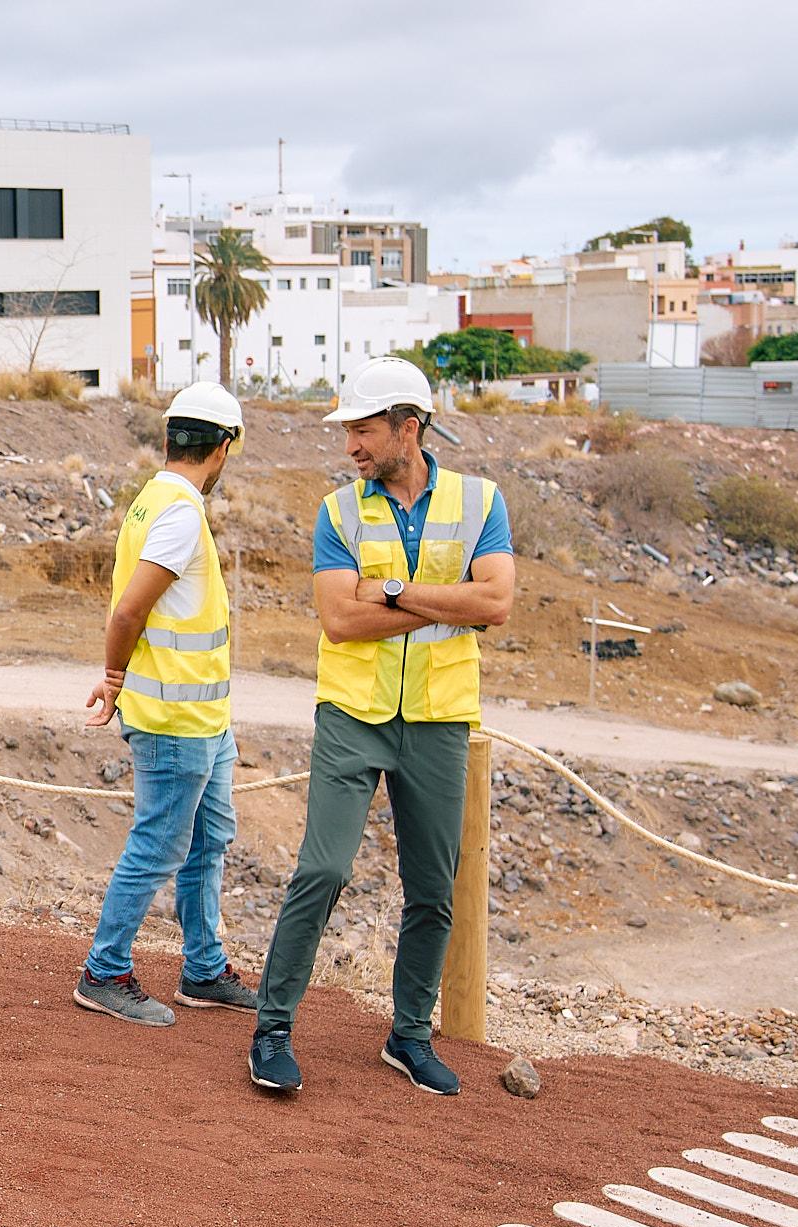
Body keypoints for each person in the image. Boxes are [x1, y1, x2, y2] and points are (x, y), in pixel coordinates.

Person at [244, 359, 513, 1099]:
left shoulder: (481, 501)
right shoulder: (338, 512)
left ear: (408, 427)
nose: (351, 446)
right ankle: (271, 1030)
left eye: (363, 429)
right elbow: (341, 619)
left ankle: (409, 1034)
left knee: (433, 886)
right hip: (353, 715)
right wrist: (449, 600)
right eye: (349, 431)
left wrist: (392, 589)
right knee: (322, 870)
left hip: (437, 719)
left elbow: (497, 603)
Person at [75, 381, 256, 1026]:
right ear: (224, 448)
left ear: (170, 436)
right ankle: (104, 971)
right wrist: (114, 677)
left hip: (204, 718)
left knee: (208, 840)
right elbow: (130, 608)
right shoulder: (180, 512)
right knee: (158, 845)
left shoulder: (153, 499)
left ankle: (203, 971)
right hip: (175, 720)